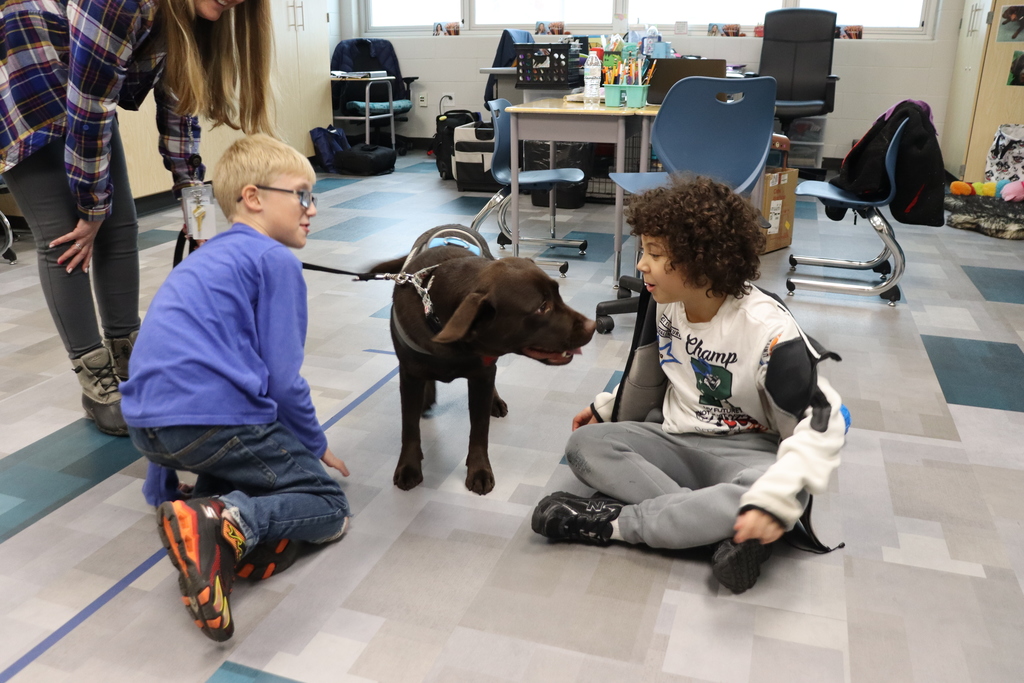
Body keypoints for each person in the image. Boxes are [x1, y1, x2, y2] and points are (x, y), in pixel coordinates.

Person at [531, 177, 845, 594]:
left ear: (704, 261)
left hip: (748, 453)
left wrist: (777, 493)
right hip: (675, 439)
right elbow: (653, 376)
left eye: (656, 254)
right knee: (585, 446)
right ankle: (714, 530)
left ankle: (620, 525)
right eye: (644, 249)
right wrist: (607, 408)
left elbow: (825, 417)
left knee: (776, 491)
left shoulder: (769, 329)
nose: (641, 264)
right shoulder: (665, 305)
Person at [0, 0, 274, 437]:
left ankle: (131, 360)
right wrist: (90, 209)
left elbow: (180, 109)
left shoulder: (198, 14)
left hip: (81, 84)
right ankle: (96, 382)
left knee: (121, 225)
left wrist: (197, 213)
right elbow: (90, 109)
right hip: (23, 69)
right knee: (66, 238)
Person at [119, 134, 351, 642]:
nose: (312, 209)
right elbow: (285, 383)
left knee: (230, 469)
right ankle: (230, 522)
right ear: (253, 197)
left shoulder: (202, 259)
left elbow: (166, 375)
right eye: (302, 195)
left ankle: (208, 531)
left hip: (146, 428)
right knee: (329, 506)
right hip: (212, 421)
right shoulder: (275, 260)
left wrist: (159, 487)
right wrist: (316, 447)